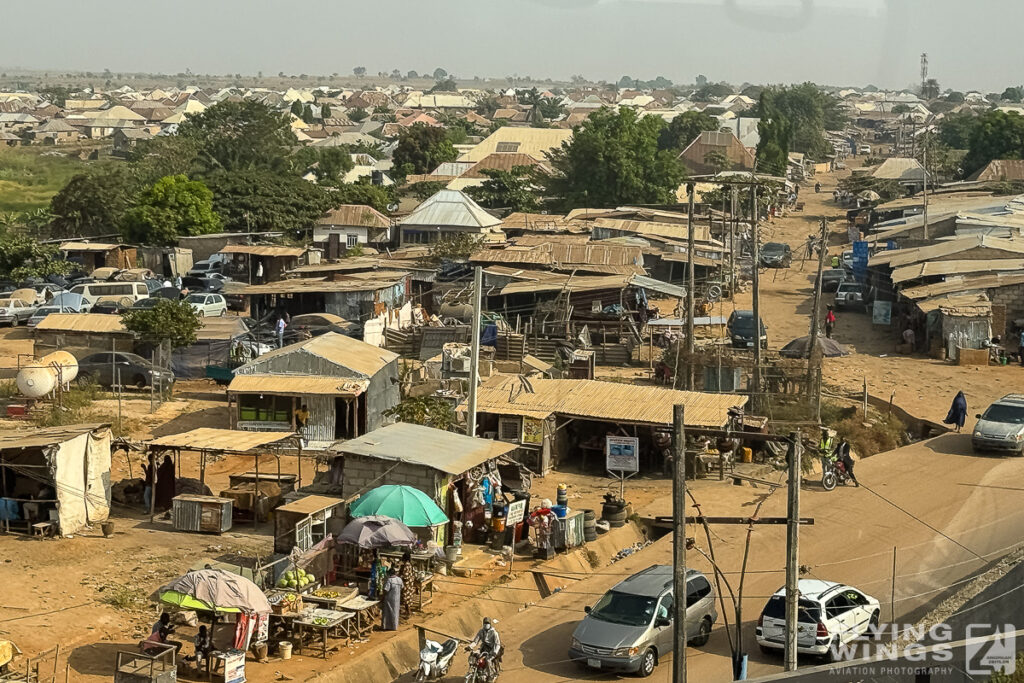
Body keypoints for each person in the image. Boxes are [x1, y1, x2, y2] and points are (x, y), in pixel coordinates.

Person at [381, 566, 403, 631]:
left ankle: (386, 626)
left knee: (388, 612)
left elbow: (386, 590)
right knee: (395, 612)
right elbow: (402, 587)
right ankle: (394, 626)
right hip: (397, 599)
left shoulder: (389, 580)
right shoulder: (399, 579)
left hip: (389, 599)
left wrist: (382, 597)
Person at [398, 550, 417, 618]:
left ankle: (408, 612)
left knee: (405, 598)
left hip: (406, 584)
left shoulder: (406, 565)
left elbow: (405, 576)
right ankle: (408, 611)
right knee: (408, 597)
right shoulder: (410, 564)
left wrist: (399, 576)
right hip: (410, 583)